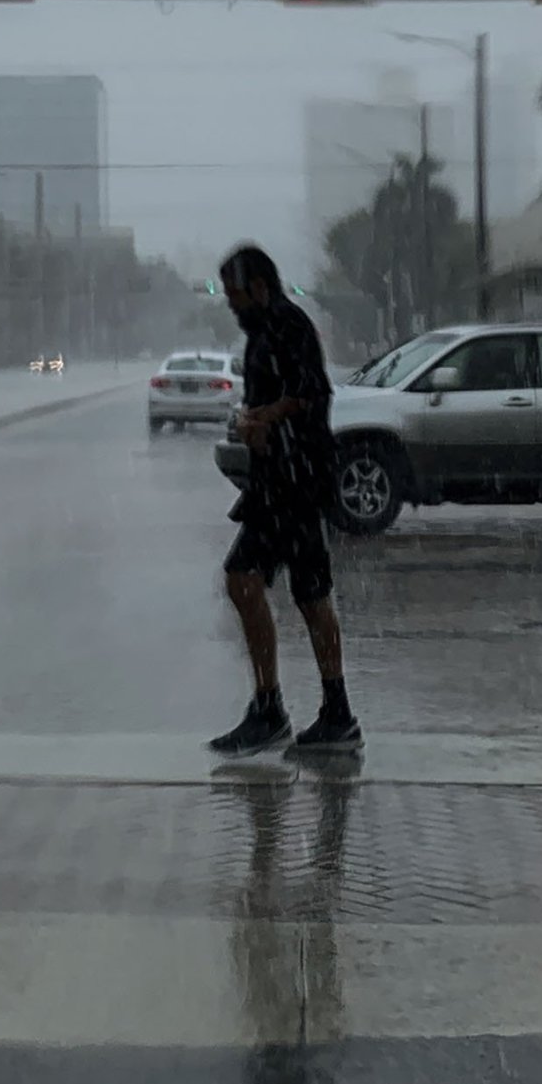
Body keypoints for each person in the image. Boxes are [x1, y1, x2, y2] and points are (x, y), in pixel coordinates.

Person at [209, 244, 360, 755]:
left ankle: (282, 708)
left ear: (259, 287)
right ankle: (320, 710)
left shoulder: (288, 326)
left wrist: (265, 418)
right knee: (298, 590)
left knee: (252, 580)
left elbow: (312, 392)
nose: (231, 303)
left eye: (235, 294)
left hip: (295, 481)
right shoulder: (260, 334)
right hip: (280, 479)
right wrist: (255, 424)